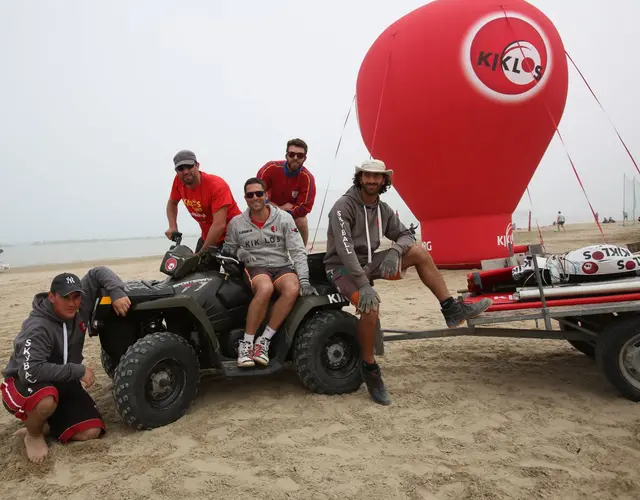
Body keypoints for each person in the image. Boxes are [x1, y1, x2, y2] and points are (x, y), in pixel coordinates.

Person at [323, 159, 492, 406]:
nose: (371, 180)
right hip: (341, 268)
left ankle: (451, 309)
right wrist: (364, 283)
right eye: (367, 176)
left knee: (419, 253)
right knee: (370, 305)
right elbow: (345, 250)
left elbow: (406, 235)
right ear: (360, 178)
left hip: (368, 263)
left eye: (377, 176)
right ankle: (370, 368)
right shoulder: (343, 206)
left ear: (384, 181)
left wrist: (394, 252)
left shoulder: (383, 209)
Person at [1, 267, 131, 464]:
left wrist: (117, 292)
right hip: (23, 381)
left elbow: (98, 273)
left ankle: (43, 424)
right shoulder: (37, 327)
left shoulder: (79, 307)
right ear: (52, 296)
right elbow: (32, 371)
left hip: (61, 380)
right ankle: (33, 435)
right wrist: (78, 370)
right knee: (46, 400)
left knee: (91, 431)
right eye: (66, 298)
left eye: (76, 297)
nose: (73, 304)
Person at [224, 177, 318, 368]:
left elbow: (298, 251)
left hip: (282, 266)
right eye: (250, 195)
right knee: (265, 288)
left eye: (259, 193)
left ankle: (264, 341)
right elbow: (228, 249)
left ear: (266, 195)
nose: (255, 197)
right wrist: (240, 252)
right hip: (255, 267)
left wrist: (305, 280)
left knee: (293, 288)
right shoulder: (236, 223)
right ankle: (247, 343)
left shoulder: (284, 218)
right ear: (245, 198)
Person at [166, 149, 242, 254]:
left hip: (233, 237)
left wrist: (201, 254)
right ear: (176, 171)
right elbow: (172, 203)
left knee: (233, 269)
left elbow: (219, 225)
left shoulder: (216, 186)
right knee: (193, 269)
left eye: (189, 166)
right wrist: (172, 226)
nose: (186, 171)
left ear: (197, 165)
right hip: (208, 236)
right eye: (181, 168)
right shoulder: (179, 181)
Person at [257, 138, 316, 247]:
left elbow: (305, 207)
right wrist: (279, 209)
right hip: (268, 210)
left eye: (300, 155)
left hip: (291, 215)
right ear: (286, 155)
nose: (295, 158)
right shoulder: (270, 168)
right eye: (291, 154)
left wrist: (285, 213)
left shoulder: (307, 178)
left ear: (305, 158)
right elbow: (257, 194)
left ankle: (301, 254)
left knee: (302, 221)